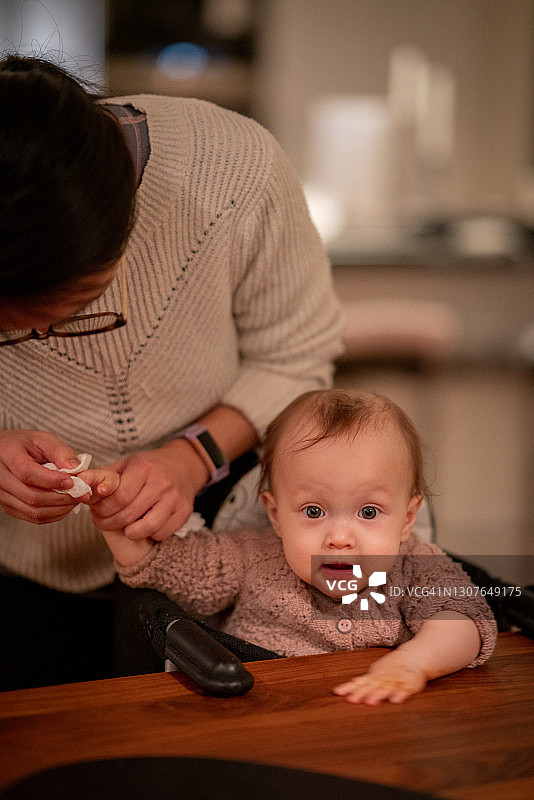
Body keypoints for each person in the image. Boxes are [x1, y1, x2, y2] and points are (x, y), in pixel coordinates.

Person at [0, 54, 342, 689]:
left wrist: (191, 458)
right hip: (19, 582)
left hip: (217, 542)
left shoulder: (235, 170)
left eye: (77, 309)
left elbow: (294, 359)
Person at [83, 389, 497, 705]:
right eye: (314, 511)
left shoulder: (419, 566)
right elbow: (164, 567)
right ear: (276, 514)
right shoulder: (249, 556)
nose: (340, 537)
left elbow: (465, 621)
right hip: (263, 719)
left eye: (368, 512)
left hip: (376, 724)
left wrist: (413, 663)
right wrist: (115, 517)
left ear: (406, 519)